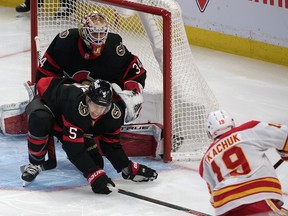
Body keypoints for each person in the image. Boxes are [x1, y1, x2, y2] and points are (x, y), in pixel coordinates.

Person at [21, 77, 158, 194]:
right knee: (40, 119)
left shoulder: (114, 116)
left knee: (97, 164)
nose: (97, 110)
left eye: (102, 106)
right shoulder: (76, 106)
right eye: (95, 104)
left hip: (69, 121)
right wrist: (92, 174)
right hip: (48, 103)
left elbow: (111, 145)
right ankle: (35, 163)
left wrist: (127, 167)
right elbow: (73, 148)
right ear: (87, 99)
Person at [36, 10, 146, 123]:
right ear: (83, 32)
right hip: (69, 104)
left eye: (102, 33)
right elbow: (45, 74)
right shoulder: (65, 42)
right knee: (41, 119)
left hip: (103, 107)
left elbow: (136, 72)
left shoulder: (115, 49)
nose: (98, 38)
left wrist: (132, 93)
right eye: (94, 33)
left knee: (112, 119)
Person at [199, 110, 288, 215]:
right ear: (232, 123)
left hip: (224, 207)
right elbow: (285, 136)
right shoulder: (249, 129)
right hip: (256, 198)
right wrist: (284, 154)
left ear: (210, 133)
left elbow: (214, 198)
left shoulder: (204, 162)